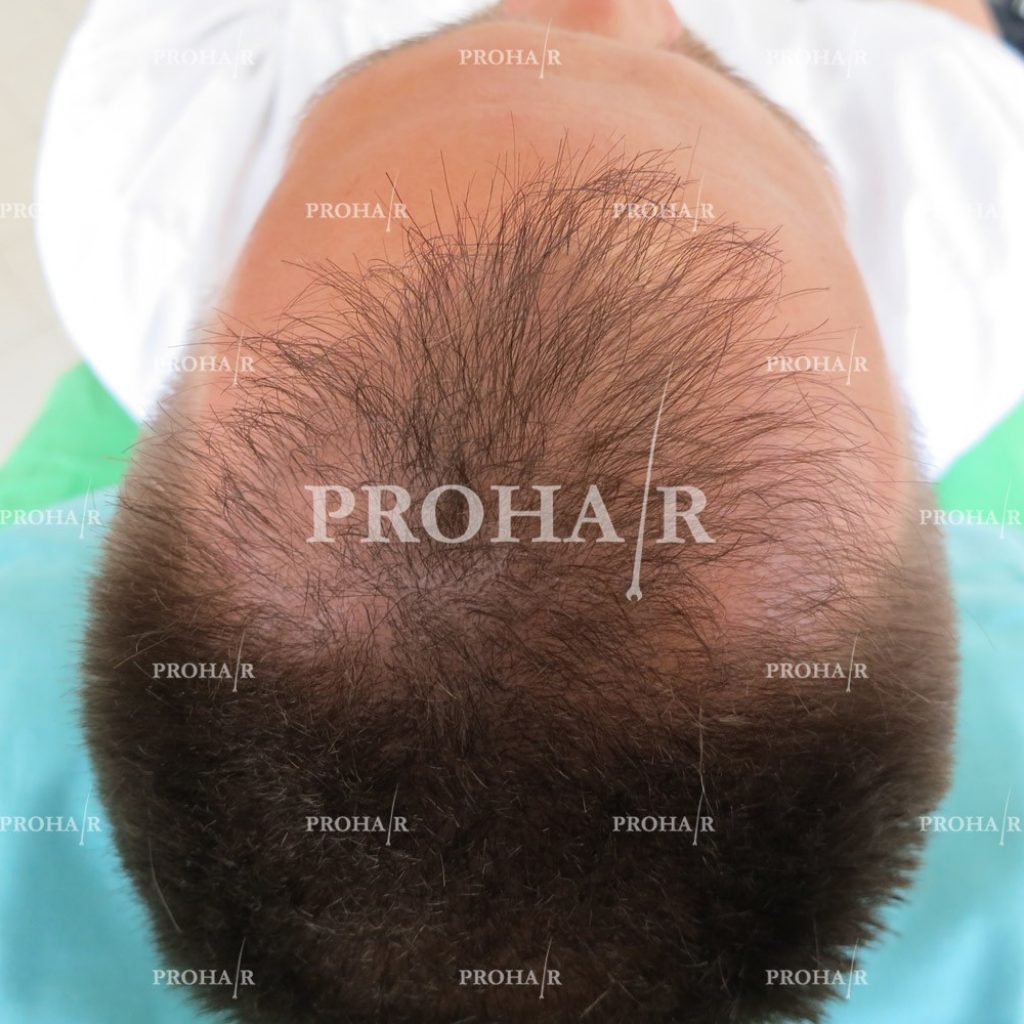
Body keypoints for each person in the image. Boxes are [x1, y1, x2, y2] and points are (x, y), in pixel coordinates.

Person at [32, 1, 1024, 1021]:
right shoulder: (975, 219)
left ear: (185, 386)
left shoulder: (147, 169)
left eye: (446, 60)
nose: (601, 5)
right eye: (705, 88)